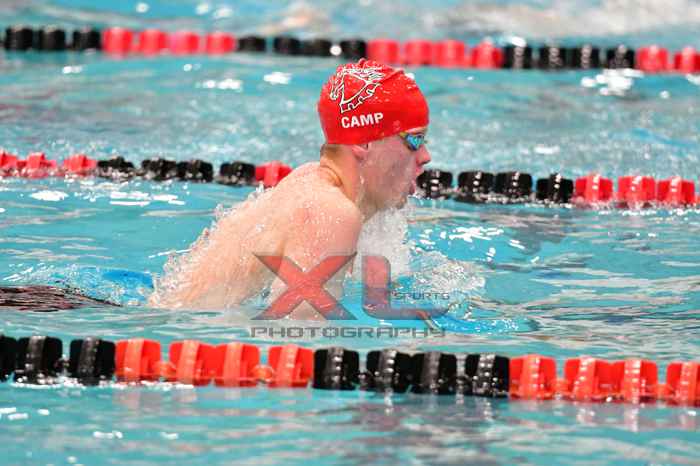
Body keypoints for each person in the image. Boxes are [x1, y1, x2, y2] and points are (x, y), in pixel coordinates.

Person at [149, 59, 431, 314]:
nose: (425, 157)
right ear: (363, 143)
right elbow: (296, 335)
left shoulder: (310, 180)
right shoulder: (331, 213)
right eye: (414, 141)